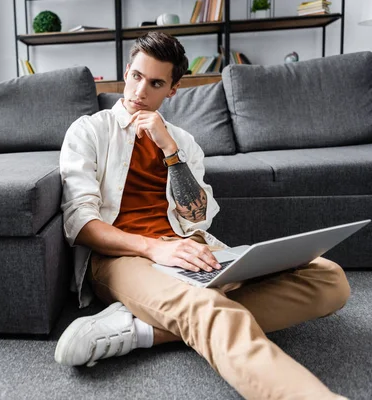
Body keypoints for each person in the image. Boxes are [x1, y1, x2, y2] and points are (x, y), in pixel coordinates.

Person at [55, 31, 351, 400]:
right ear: (127, 70)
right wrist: (154, 249)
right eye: (136, 76)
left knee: (329, 278)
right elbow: (81, 225)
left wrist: (170, 150)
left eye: (156, 83)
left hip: (193, 249)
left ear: (172, 90)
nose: (139, 92)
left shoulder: (183, 141)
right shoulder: (89, 131)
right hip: (123, 257)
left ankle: (140, 331)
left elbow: (197, 217)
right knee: (207, 306)